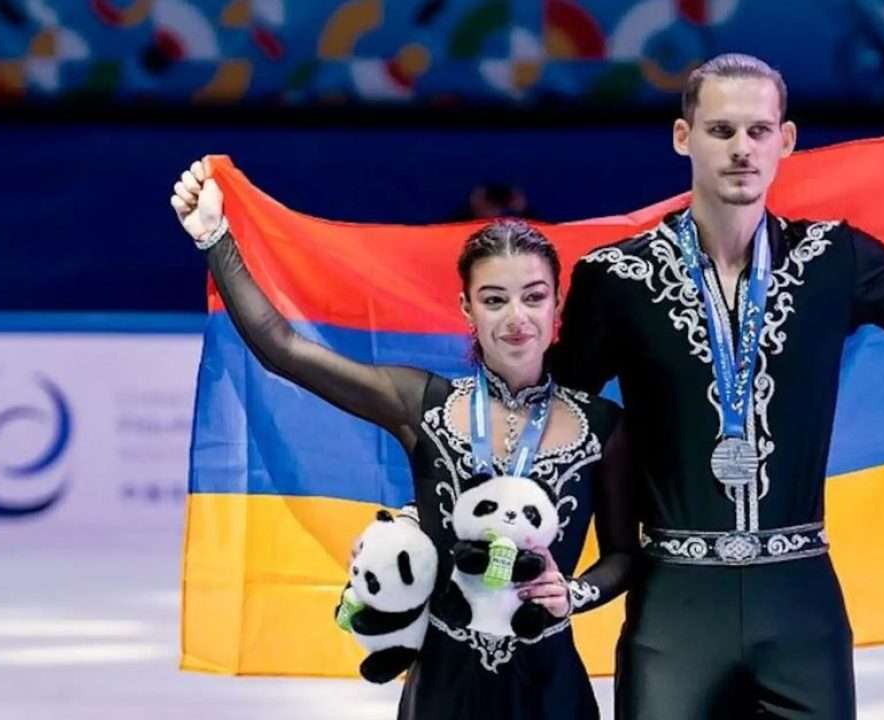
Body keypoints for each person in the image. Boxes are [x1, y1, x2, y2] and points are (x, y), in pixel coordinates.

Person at [547, 53, 884, 719]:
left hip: (800, 610)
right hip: (672, 609)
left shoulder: (831, 260)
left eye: (758, 131)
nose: (741, 149)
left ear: (786, 140)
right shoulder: (616, 278)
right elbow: (557, 421)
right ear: (683, 137)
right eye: (721, 131)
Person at [169, 160, 637, 720]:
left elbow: (625, 555)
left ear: (557, 303)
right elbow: (283, 350)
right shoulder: (424, 405)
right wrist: (216, 239)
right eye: (494, 300)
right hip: (441, 690)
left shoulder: (602, 425)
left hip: (551, 692)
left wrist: (575, 594)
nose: (517, 317)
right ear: (467, 309)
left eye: (533, 297)